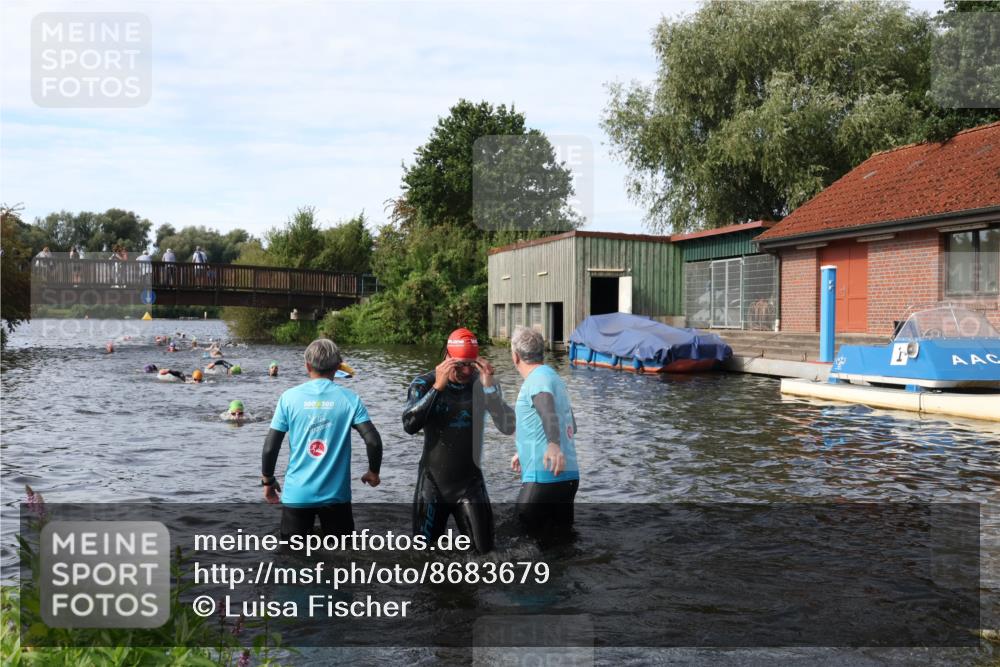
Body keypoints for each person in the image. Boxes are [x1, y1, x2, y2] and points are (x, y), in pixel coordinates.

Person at [402, 328, 515, 554]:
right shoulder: (423, 384)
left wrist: (491, 389)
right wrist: (437, 388)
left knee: (487, 557)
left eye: (470, 364)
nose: (465, 370)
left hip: (470, 484)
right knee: (424, 557)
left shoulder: (483, 382)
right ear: (448, 356)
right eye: (460, 364)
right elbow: (409, 425)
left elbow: (508, 427)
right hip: (433, 484)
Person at [261, 339, 383, 539]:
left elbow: (270, 447)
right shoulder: (350, 399)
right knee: (342, 560)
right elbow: (373, 441)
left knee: (292, 560)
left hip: (297, 495)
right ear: (337, 367)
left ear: (307, 366)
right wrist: (373, 472)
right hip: (336, 497)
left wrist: (268, 481)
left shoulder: (288, 398)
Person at [508, 326, 580, 534]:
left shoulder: (537, 379)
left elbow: (547, 408)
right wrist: (525, 450)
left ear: (515, 356)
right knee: (560, 547)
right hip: (568, 477)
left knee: (519, 540)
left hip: (544, 476)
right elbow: (570, 425)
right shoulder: (554, 378)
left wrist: (553, 445)